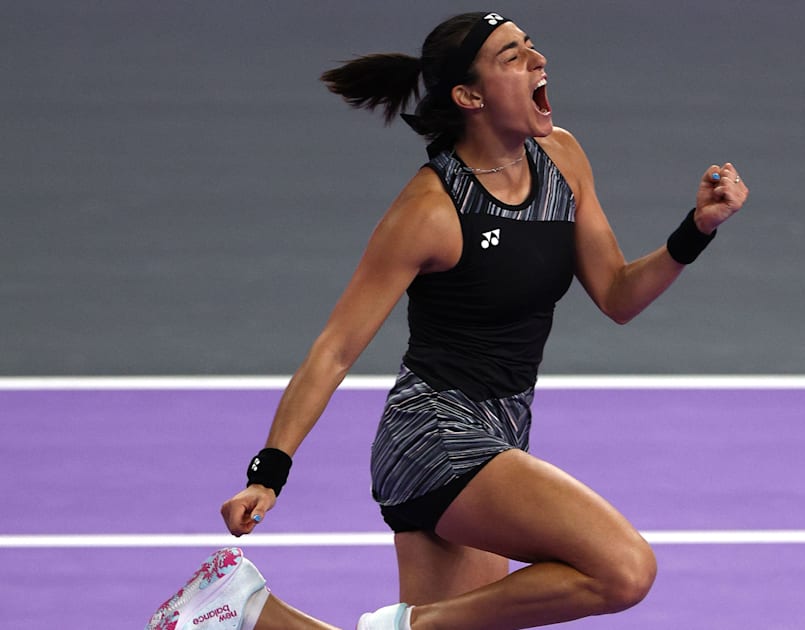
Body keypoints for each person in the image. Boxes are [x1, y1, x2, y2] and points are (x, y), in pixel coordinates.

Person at [148, 11, 747, 630]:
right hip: (433, 434)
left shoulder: (562, 160)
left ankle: (245, 609)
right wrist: (268, 473)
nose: (538, 60)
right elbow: (335, 349)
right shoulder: (432, 209)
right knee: (624, 569)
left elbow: (619, 295)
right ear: (469, 96)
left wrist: (696, 230)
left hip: (502, 429)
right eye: (512, 57)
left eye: (531, 47)